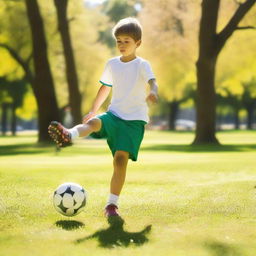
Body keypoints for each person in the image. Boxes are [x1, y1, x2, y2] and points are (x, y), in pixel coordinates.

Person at [48, 17, 159, 217]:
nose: (122, 45)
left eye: (127, 41)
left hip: (134, 121)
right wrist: (93, 109)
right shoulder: (112, 64)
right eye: (119, 41)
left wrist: (154, 92)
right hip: (114, 114)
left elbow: (153, 82)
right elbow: (105, 88)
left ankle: (111, 204)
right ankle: (68, 135)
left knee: (120, 160)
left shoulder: (142, 65)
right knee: (93, 122)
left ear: (138, 43)